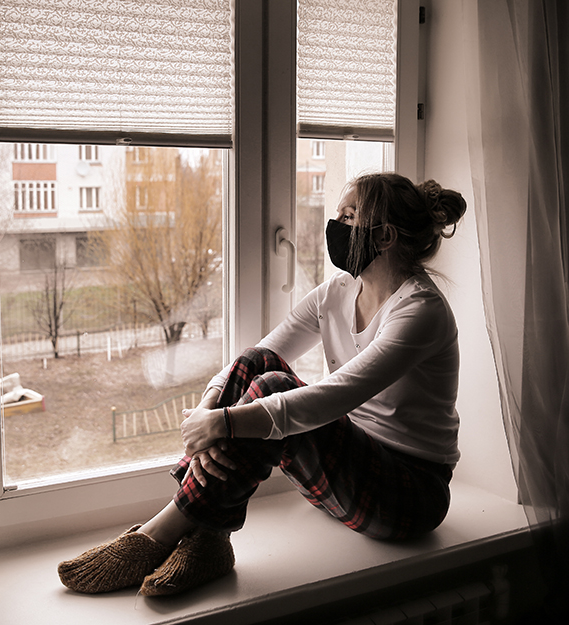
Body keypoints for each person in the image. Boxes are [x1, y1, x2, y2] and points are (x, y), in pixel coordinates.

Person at [57, 172, 467, 597]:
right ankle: (209, 537)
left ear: (383, 237)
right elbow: (258, 355)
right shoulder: (338, 293)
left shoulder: (420, 312)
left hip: (406, 496)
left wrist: (223, 424)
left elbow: (335, 396)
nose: (336, 226)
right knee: (261, 364)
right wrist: (208, 408)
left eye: (348, 217)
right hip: (346, 477)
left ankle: (159, 533)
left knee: (275, 389)